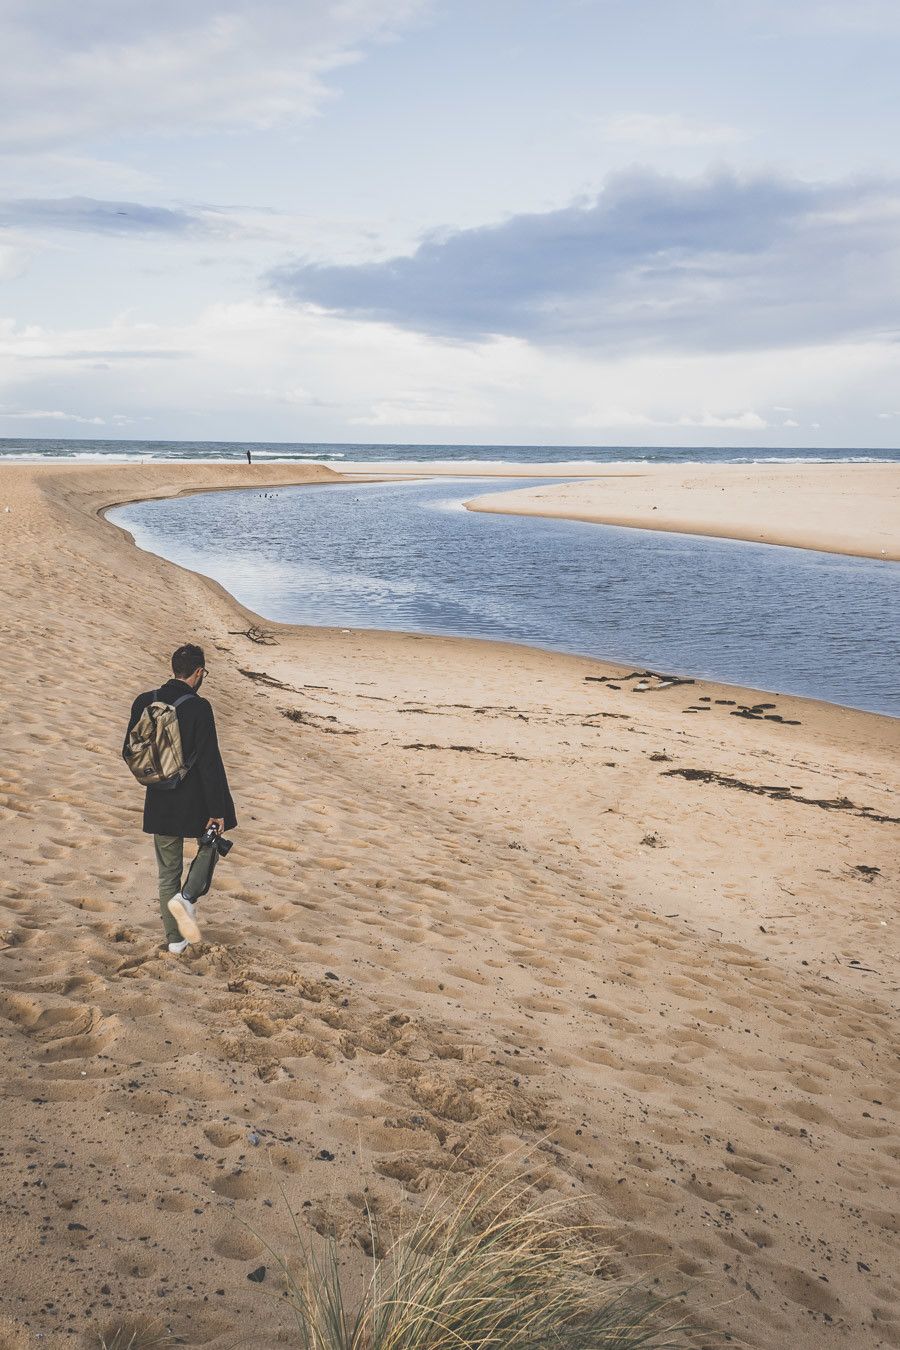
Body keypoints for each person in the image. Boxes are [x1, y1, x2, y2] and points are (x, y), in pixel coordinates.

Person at [123, 644, 236, 953]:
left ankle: (176, 942)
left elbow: (128, 751)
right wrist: (218, 809)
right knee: (210, 845)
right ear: (198, 673)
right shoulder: (200, 707)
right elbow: (210, 762)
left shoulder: (145, 701)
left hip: (160, 798)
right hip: (195, 800)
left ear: (174, 669)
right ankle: (186, 899)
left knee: (167, 872)